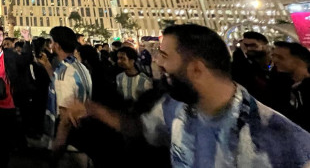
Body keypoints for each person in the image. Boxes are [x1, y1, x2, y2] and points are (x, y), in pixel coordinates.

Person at [71, 24, 310, 167]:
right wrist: (95, 110)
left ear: (196, 68)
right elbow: (141, 128)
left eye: (164, 56)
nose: (156, 63)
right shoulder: (174, 107)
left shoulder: (285, 143)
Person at [0, 25, 33, 168]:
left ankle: (2, 162)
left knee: (5, 139)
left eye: (0, 35)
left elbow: (25, 60)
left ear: (3, 38)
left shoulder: (10, 54)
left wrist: (27, 41)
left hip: (8, 102)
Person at [44, 26, 92, 154]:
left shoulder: (64, 73)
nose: (51, 45)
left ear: (57, 45)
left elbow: (66, 116)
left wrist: (57, 146)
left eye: (52, 41)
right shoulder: (80, 67)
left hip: (70, 138)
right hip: (84, 127)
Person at [272, 41, 310, 132]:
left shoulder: (307, 89)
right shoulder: (286, 86)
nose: (274, 61)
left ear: (300, 60)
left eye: (280, 57)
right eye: (273, 56)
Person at [231, 30, 273, 104]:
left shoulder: (277, 63)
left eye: (253, 45)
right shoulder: (244, 66)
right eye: (246, 45)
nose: (249, 48)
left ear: (265, 46)